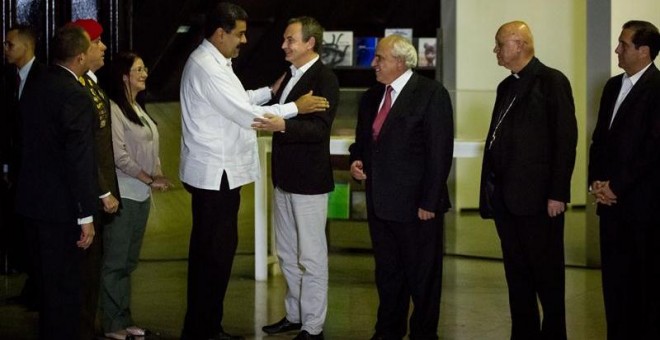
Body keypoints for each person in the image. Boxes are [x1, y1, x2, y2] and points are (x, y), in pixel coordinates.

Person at [178, 2, 329, 339]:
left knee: (213, 255)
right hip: (216, 175)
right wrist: (295, 106)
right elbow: (248, 116)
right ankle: (203, 330)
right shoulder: (208, 67)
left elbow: (238, 99)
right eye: (240, 34)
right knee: (213, 257)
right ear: (220, 34)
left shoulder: (216, 62)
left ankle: (204, 326)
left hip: (219, 174)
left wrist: (269, 92)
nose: (244, 40)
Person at [348, 34, 454, 340]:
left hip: (417, 209)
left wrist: (429, 202)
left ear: (399, 60)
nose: (373, 63)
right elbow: (363, 143)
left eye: (379, 57)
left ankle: (423, 334)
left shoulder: (431, 94)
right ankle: (387, 332)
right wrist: (357, 161)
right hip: (380, 206)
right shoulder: (371, 97)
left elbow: (439, 152)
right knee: (388, 276)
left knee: (423, 280)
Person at [479, 21, 577, 339]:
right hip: (507, 200)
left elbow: (565, 140)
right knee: (517, 276)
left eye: (499, 44)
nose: (495, 50)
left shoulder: (551, 82)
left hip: (540, 201)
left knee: (547, 276)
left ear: (519, 44)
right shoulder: (506, 87)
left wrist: (558, 193)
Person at [256, 16, 339, 340]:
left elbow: (319, 129)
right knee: (288, 254)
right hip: (285, 180)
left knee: (312, 256)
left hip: (309, 182)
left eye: (290, 39)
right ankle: (295, 314)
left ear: (310, 43)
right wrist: (285, 115)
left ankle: (313, 326)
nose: (283, 45)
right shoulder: (288, 77)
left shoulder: (325, 78)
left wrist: (283, 124)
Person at [15, 24, 97, 340]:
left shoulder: (36, 84)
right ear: (79, 57)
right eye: (91, 47)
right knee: (67, 294)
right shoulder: (75, 95)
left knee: (47, 292)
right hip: (62, 210)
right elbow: (78, 158)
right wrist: (85, 215)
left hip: (31, 204)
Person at [588, 20, 660, 340]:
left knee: (643, 285)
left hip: (643, 209)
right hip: (610, 206)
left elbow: (653, 150)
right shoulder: (612, 86)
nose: (617, 49)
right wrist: (596, 183)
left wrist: (617, 185)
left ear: (644, 51)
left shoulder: (657, 89)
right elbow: (599, 140)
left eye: (624, 44)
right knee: (614, 284)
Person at [100, 51, 171, 340]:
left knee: (128, 262)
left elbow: (150, 147)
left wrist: (157, 173)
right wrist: (149, 178)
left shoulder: (137, 108)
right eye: (138, 69)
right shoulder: (115, 108)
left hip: (141, 195)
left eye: (144, 68)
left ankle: (124, 318)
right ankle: (112, 324)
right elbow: (119, 156)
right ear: (124, 76)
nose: (144, 74)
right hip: (124, 194)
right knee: (116, 263)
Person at [69, 18, 121, 340]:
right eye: (98, 42)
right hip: (86, 193)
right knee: (82, 273)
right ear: (82, 49)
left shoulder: (91, 83)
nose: (103, 48)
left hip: (98, 188)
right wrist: (102, 191)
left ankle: (88, 326)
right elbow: (85, 148)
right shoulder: (76, 88)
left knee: (93, 270)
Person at [1, 24, 46, 309]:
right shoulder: (8, 78)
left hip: (38, 172)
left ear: (26, 47)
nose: (5, 49)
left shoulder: (44, 79)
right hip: (17, 169)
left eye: (9, 44)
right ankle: (32, 286)